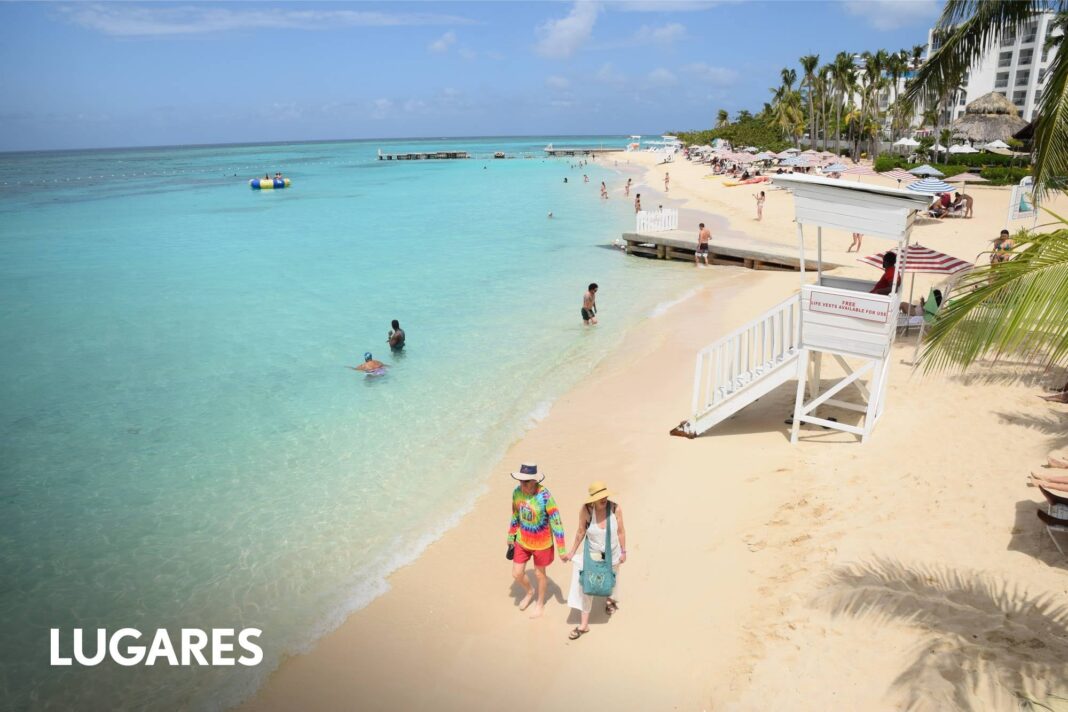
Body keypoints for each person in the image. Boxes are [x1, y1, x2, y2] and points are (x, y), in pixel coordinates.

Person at [561, 481, 626, 640]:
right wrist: (571, 552)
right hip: (593, 554)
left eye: (605, 496)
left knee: (612, 578)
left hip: (613, 553)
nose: (603, 499)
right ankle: (584, 625)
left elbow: (621, 531)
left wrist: (624, 551)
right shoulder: (586, 510)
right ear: (593, 499)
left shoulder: (615, 508)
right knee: (588, 586)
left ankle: (609, 600)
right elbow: (580, 532)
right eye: (599, 497)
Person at [507, 464, 566, 619]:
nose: (522, 485)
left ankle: (540, 604)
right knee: (517, 573)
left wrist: (561, 549)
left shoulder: (545, 496)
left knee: (540, 575)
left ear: (534, 481)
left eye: (525, 482)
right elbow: (515, 515)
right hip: (522, 540)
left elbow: (556, 521)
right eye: (520, 481)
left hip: (542, 544)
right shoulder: (517, 493)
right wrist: (511, 535)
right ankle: (529, 591)